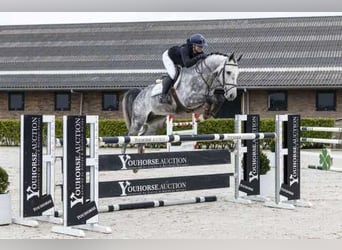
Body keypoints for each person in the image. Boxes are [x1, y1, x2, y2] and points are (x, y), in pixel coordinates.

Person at [159, 33, 208, 103]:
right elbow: (187, 64)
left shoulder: (199, 52)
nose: (201, 48)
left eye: (202, 46)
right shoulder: (185, 50)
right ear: (193, 45)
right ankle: (163, 96)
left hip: (179, 60)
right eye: (199, 46)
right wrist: (199, 57)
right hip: (169, 57)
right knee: (173, 75)